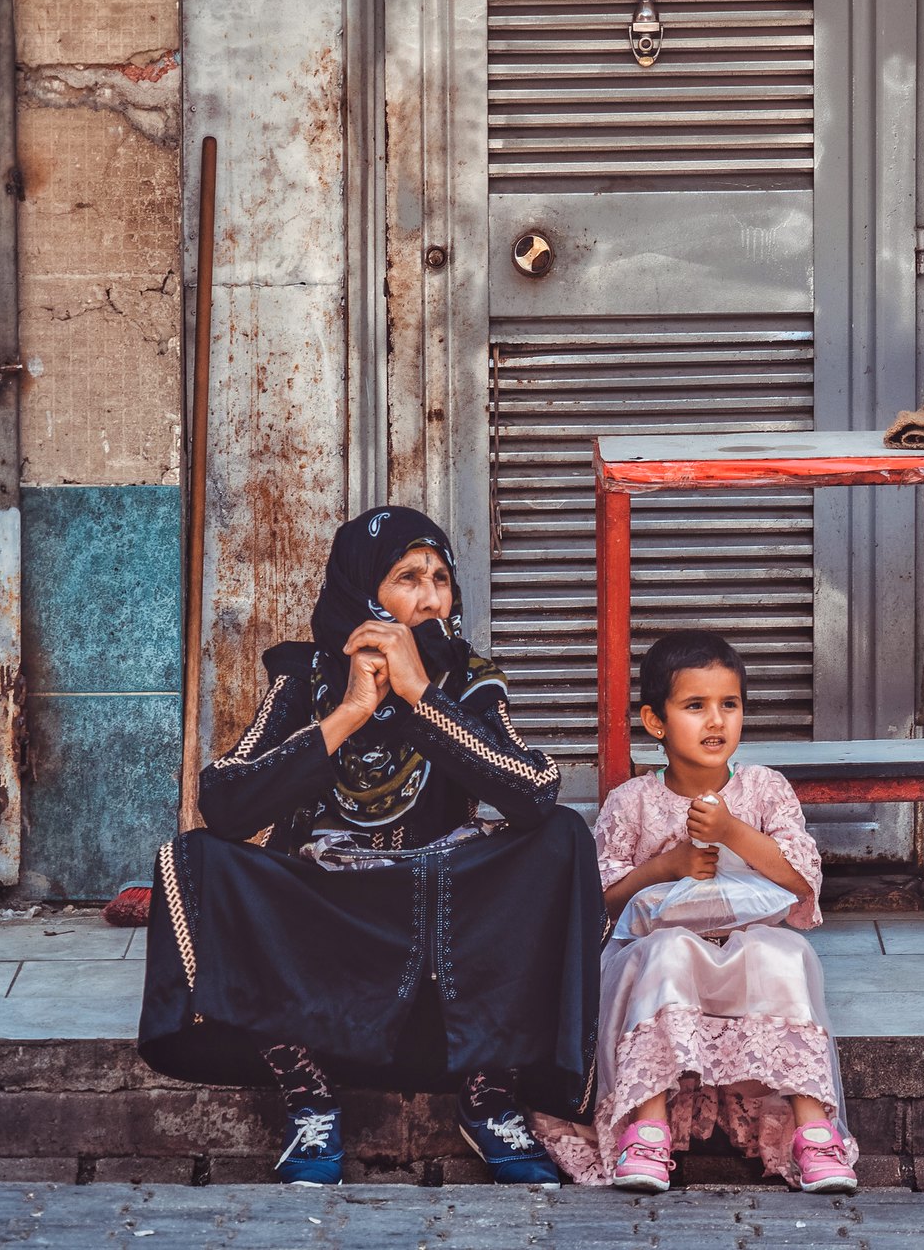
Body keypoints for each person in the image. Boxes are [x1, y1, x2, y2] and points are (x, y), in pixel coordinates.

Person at [137, 507, 604, 1186]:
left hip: (443, 901)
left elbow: (533, 790)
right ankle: (310, 1094)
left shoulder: (467, 677)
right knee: (196, 857)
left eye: (441, 578)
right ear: (363, 591)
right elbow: (226, 801)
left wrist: (421, 695)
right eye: (408, 577)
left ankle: (489, 1094)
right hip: (330, 906)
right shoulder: (307, 678)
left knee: (561, 838)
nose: (431, 596)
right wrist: (350, 710)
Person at [535, 630, 858, 1194]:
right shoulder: (633, 801)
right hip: (656, 955)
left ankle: (813, 1135)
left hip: (745, 944)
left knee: (786, 954)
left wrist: (734, 830)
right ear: (656, 721)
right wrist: (668, 866)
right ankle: (648, 1131)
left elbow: (801, 878)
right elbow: (600, 899)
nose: (716, 721)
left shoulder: (763, 790)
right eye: (695, 706)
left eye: (728, 705)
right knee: (666, 951)